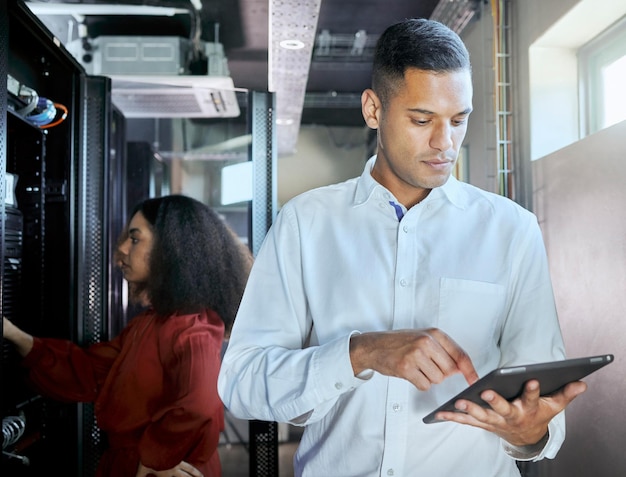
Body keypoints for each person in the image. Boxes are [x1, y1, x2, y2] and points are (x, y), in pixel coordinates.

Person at [217, 18, 587, 477]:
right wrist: (360, 353)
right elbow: (243, 383)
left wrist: (528, 431)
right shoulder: (306, 224)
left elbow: (538, 398)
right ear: (373, 110)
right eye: (421, 119)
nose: (444, 143)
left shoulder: (513, 230)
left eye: (458, 120)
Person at [3, 195, 252, 477]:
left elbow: (201, 404)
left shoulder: (191, 326)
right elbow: (88, 371)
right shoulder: (153, 322)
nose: (121, 249)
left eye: (134, 239)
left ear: (172, 248)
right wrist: (13, 334)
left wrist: (158, 458)